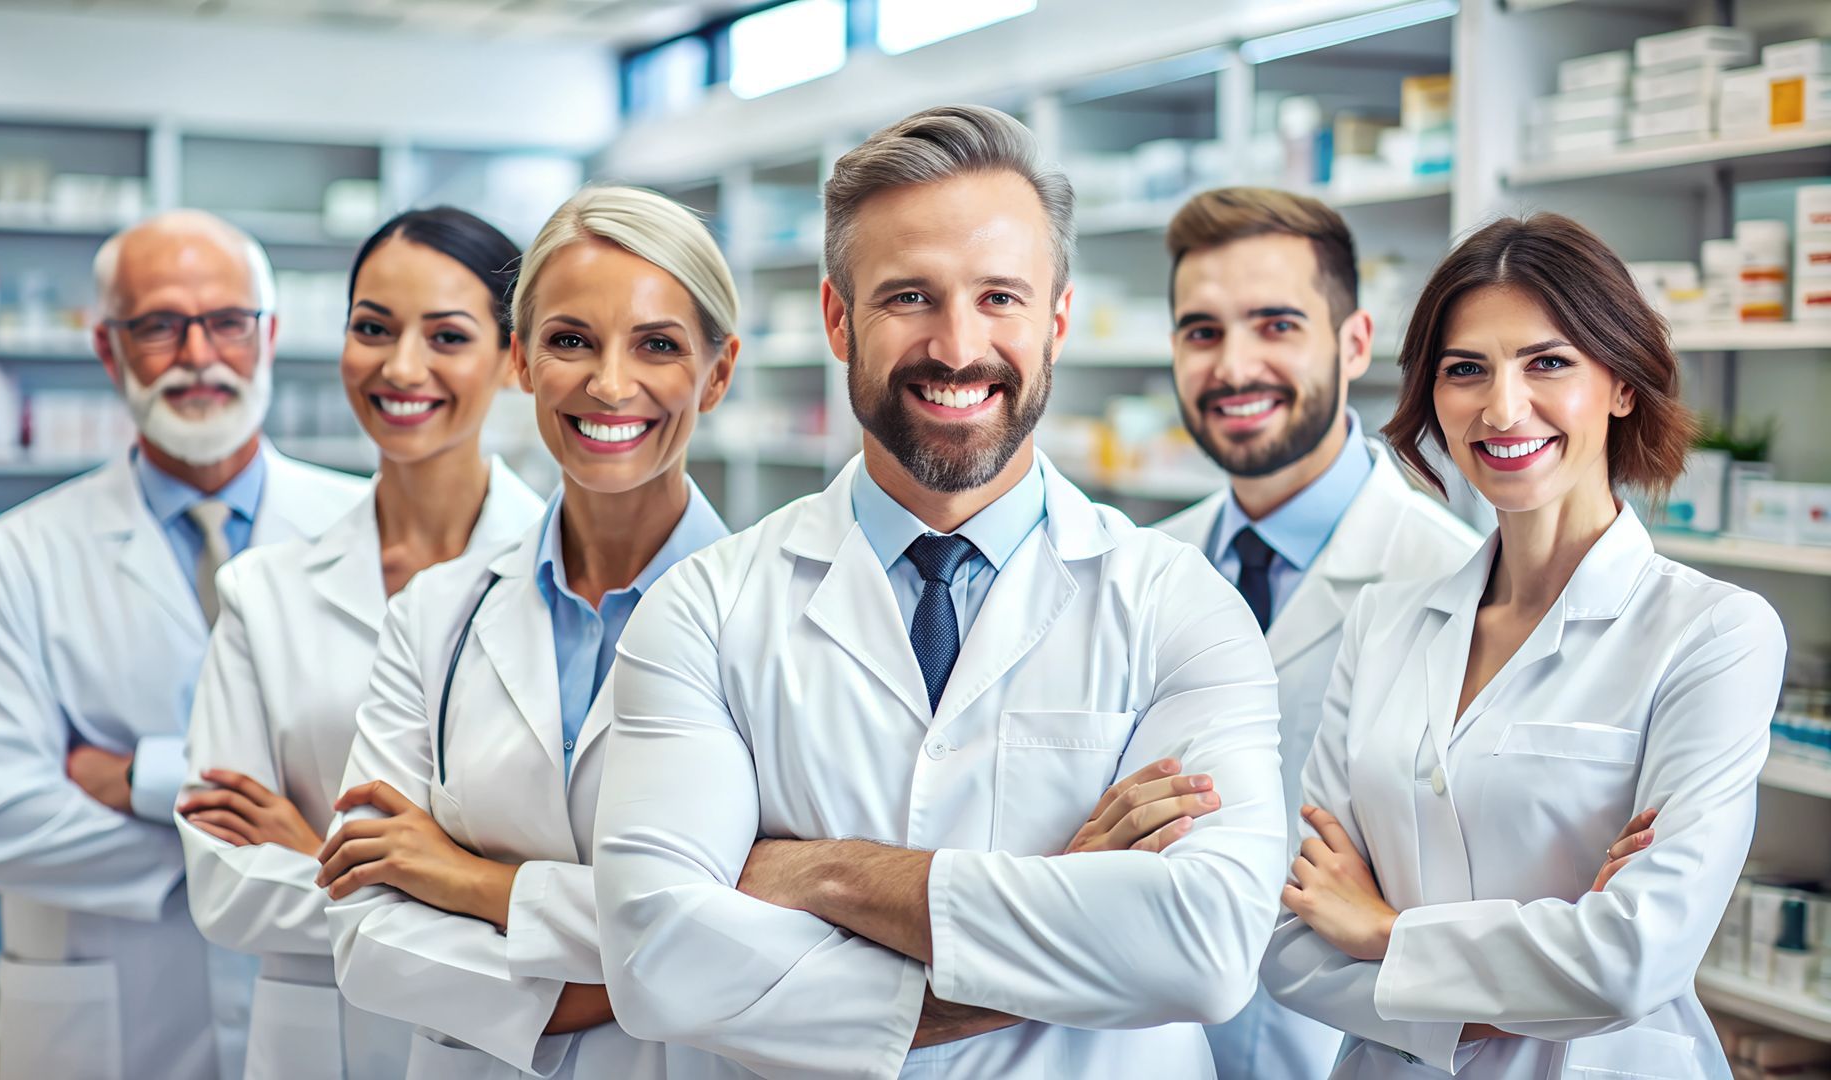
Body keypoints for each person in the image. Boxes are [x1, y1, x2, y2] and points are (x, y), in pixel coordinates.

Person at [590, 104, 1286, 1079]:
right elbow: (658, 964)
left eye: (999, 297)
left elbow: (1207, 951)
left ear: (1057, 319)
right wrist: (1065, 909)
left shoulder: (1182, 608)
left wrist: (820, 872)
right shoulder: (704, 610)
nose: (958, 347)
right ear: (839, 318)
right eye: (910, 296)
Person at [1262, 212, 1787, 1078]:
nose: (1503, 407)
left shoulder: (1713, 635)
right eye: (1465, 370)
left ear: (1621, 383)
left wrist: (1386, 931)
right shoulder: (1383, 625)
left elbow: (1631, 960)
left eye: (1548, 362)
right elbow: (1294, 944)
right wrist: (1510, 992)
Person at [316, 186, 737, 1079]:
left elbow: (771, 935)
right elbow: (365, 932)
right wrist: (648, 968)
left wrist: (475, 885)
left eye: (657, 344)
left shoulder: (774, 620)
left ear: (719, 371)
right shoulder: (438, 613)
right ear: (520, 359)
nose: (610, 383)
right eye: (571, 340)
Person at [0, 210, 367, 1080]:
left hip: (317, 1002)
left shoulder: (365, 531)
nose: (198, 355)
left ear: (271, 336)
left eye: (226, 323)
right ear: (108, 350)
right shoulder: (22, 551)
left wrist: (136, 778)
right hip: (109, 1025)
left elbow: (401, 801)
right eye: (159, 326)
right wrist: (275, 838)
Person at [173, 207, 545, 1079]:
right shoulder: (264, 592)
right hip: (315, 1041)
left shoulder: (567, 585)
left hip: (501, 1051)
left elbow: (598, 885)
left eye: (446, 335)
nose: (401, 367)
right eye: (372, 328)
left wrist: (316, 856)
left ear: (512, 357)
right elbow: (223, 885)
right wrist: (466, 888)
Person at [1152, 187, 1479, 1078]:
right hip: (1154, 1041)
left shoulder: (1453, 580)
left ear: (1355, 342)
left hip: (1357, 1046)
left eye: (1276, 324)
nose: (1233, 366)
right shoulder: (1145, 568)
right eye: (1202, 332)